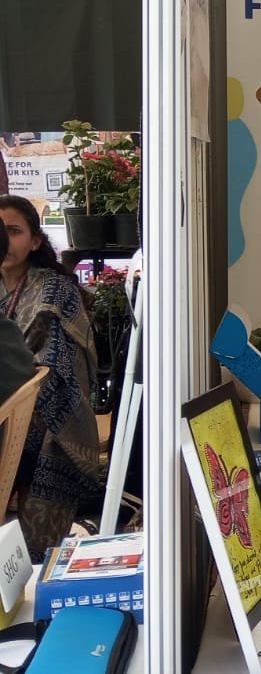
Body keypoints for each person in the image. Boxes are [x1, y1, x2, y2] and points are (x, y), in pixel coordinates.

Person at [0, 196, 103, 559]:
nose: (7, 240)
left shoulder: (54, 290)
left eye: (14, 231)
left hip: (49, 409)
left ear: (35, 240)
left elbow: (57, 368)